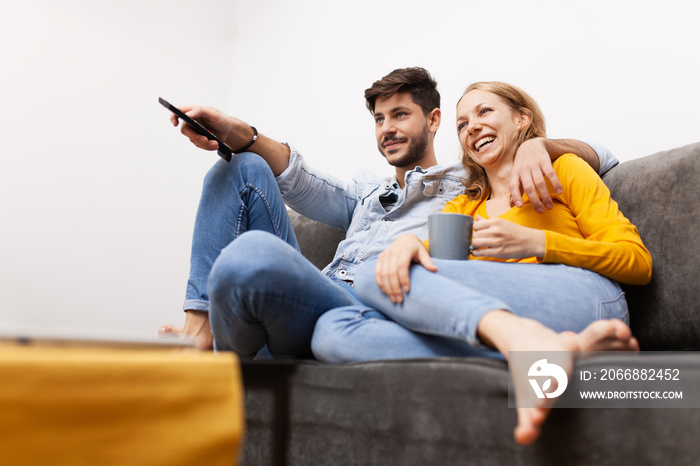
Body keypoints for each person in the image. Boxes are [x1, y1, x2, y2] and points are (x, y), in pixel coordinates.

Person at [159, 68, 618, 360]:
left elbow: (605, 156)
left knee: (251, 258)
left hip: (375, 300)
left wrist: (544, 143)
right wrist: (243, 133)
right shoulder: (367, 191)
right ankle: (201, 329)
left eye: (400, 115)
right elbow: (303, 181)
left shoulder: (469, 179)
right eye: (380, 119)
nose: (388, 129)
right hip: (321, 295)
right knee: (241, 165)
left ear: (435, 121)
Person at [310, 81, 652, 444]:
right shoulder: (464, 206)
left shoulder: (563, 169)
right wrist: (409, 241)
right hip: (519, 323)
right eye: (461, 124)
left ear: (522, 118)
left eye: (484, 112)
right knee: (333, 332)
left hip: (588, 300)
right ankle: (541, 356)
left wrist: (539, 242)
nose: (470, 126)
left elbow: (638, 263)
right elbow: (419, 272)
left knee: (371, 275)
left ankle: (529, 347)